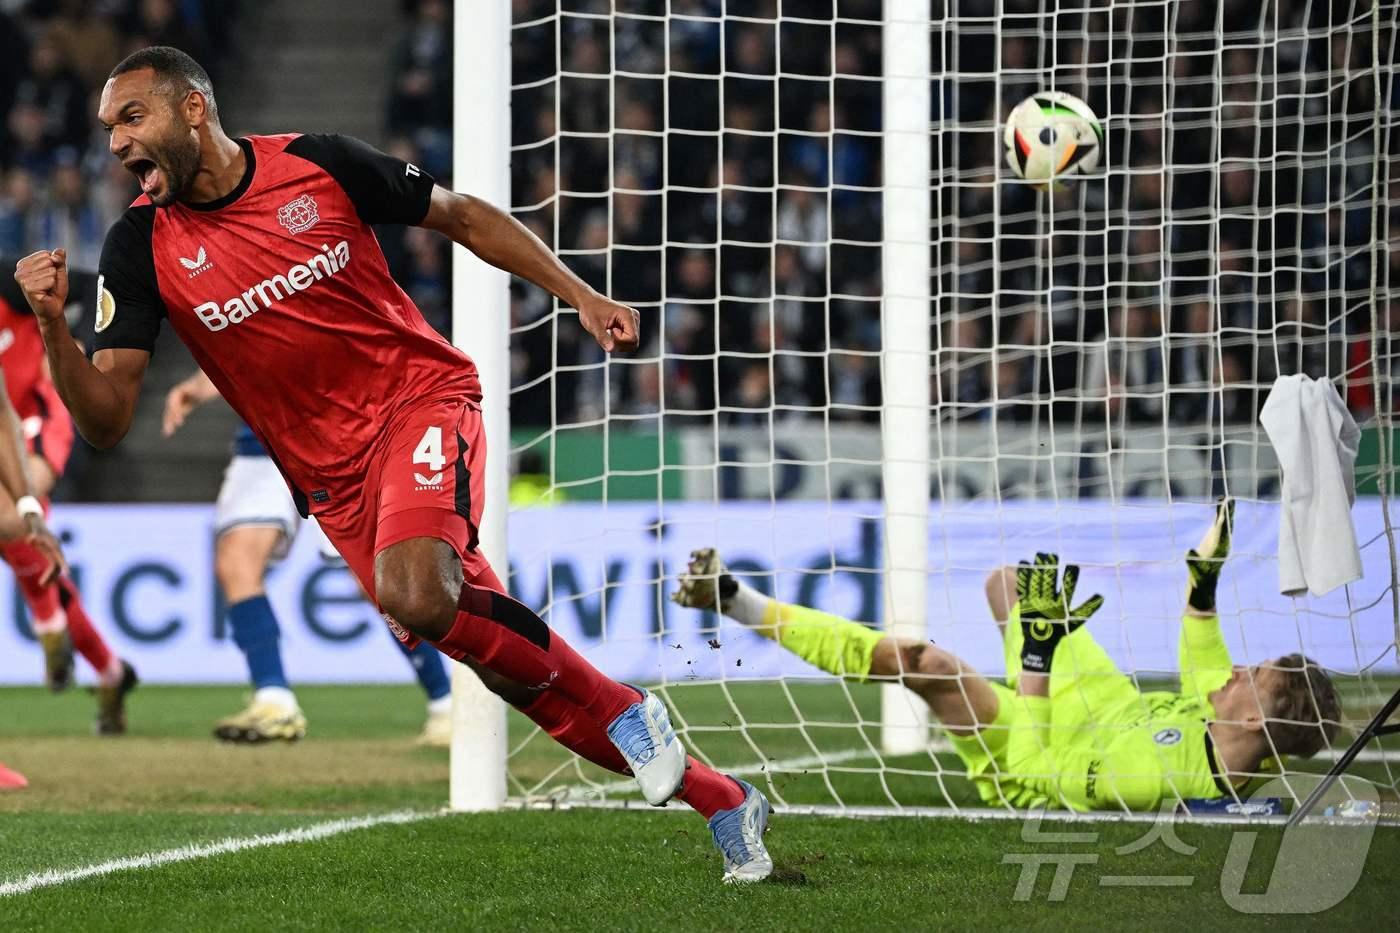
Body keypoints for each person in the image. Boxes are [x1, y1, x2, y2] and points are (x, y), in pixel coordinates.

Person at [14, 46, 770, 882]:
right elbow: (108, 418)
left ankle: (630, 711)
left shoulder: (317, 164)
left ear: (193, 109)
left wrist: (581, 293)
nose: (116, 143)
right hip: (332, 484)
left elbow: (467, 218)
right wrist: (53, 326)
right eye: (107, 129)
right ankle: (720, 797)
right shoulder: (140, 245)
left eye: (132, 118)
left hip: (421, 402)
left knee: (417, 592)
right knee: (513, 674)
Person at [673, 499, 1344, 812]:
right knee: (1010, 585)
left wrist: (1039, 664)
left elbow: (1046, 772)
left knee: (926, 664)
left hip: (1038, 751)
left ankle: (732, 599)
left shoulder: (1157, 781)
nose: (1233, 672)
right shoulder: (1229, 732)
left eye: (1250, 677)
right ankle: (730, 596)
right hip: (1101, 707)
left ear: (1256, 719)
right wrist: (1203, 585)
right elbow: (1205, 667)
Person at [163, 368, 457, 746]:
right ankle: (274, 701)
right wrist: (199, 385)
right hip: (262, 440)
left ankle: (445, 703)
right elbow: (232, 338)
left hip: (335, 432)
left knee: (373, 577)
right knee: (235, 562)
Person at [0, 259, 137, 734]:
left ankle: (53, 628)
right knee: (47, 576)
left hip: (24, 444)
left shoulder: (38, 331)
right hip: (11, 443)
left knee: (22, 528)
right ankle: (108, 670)